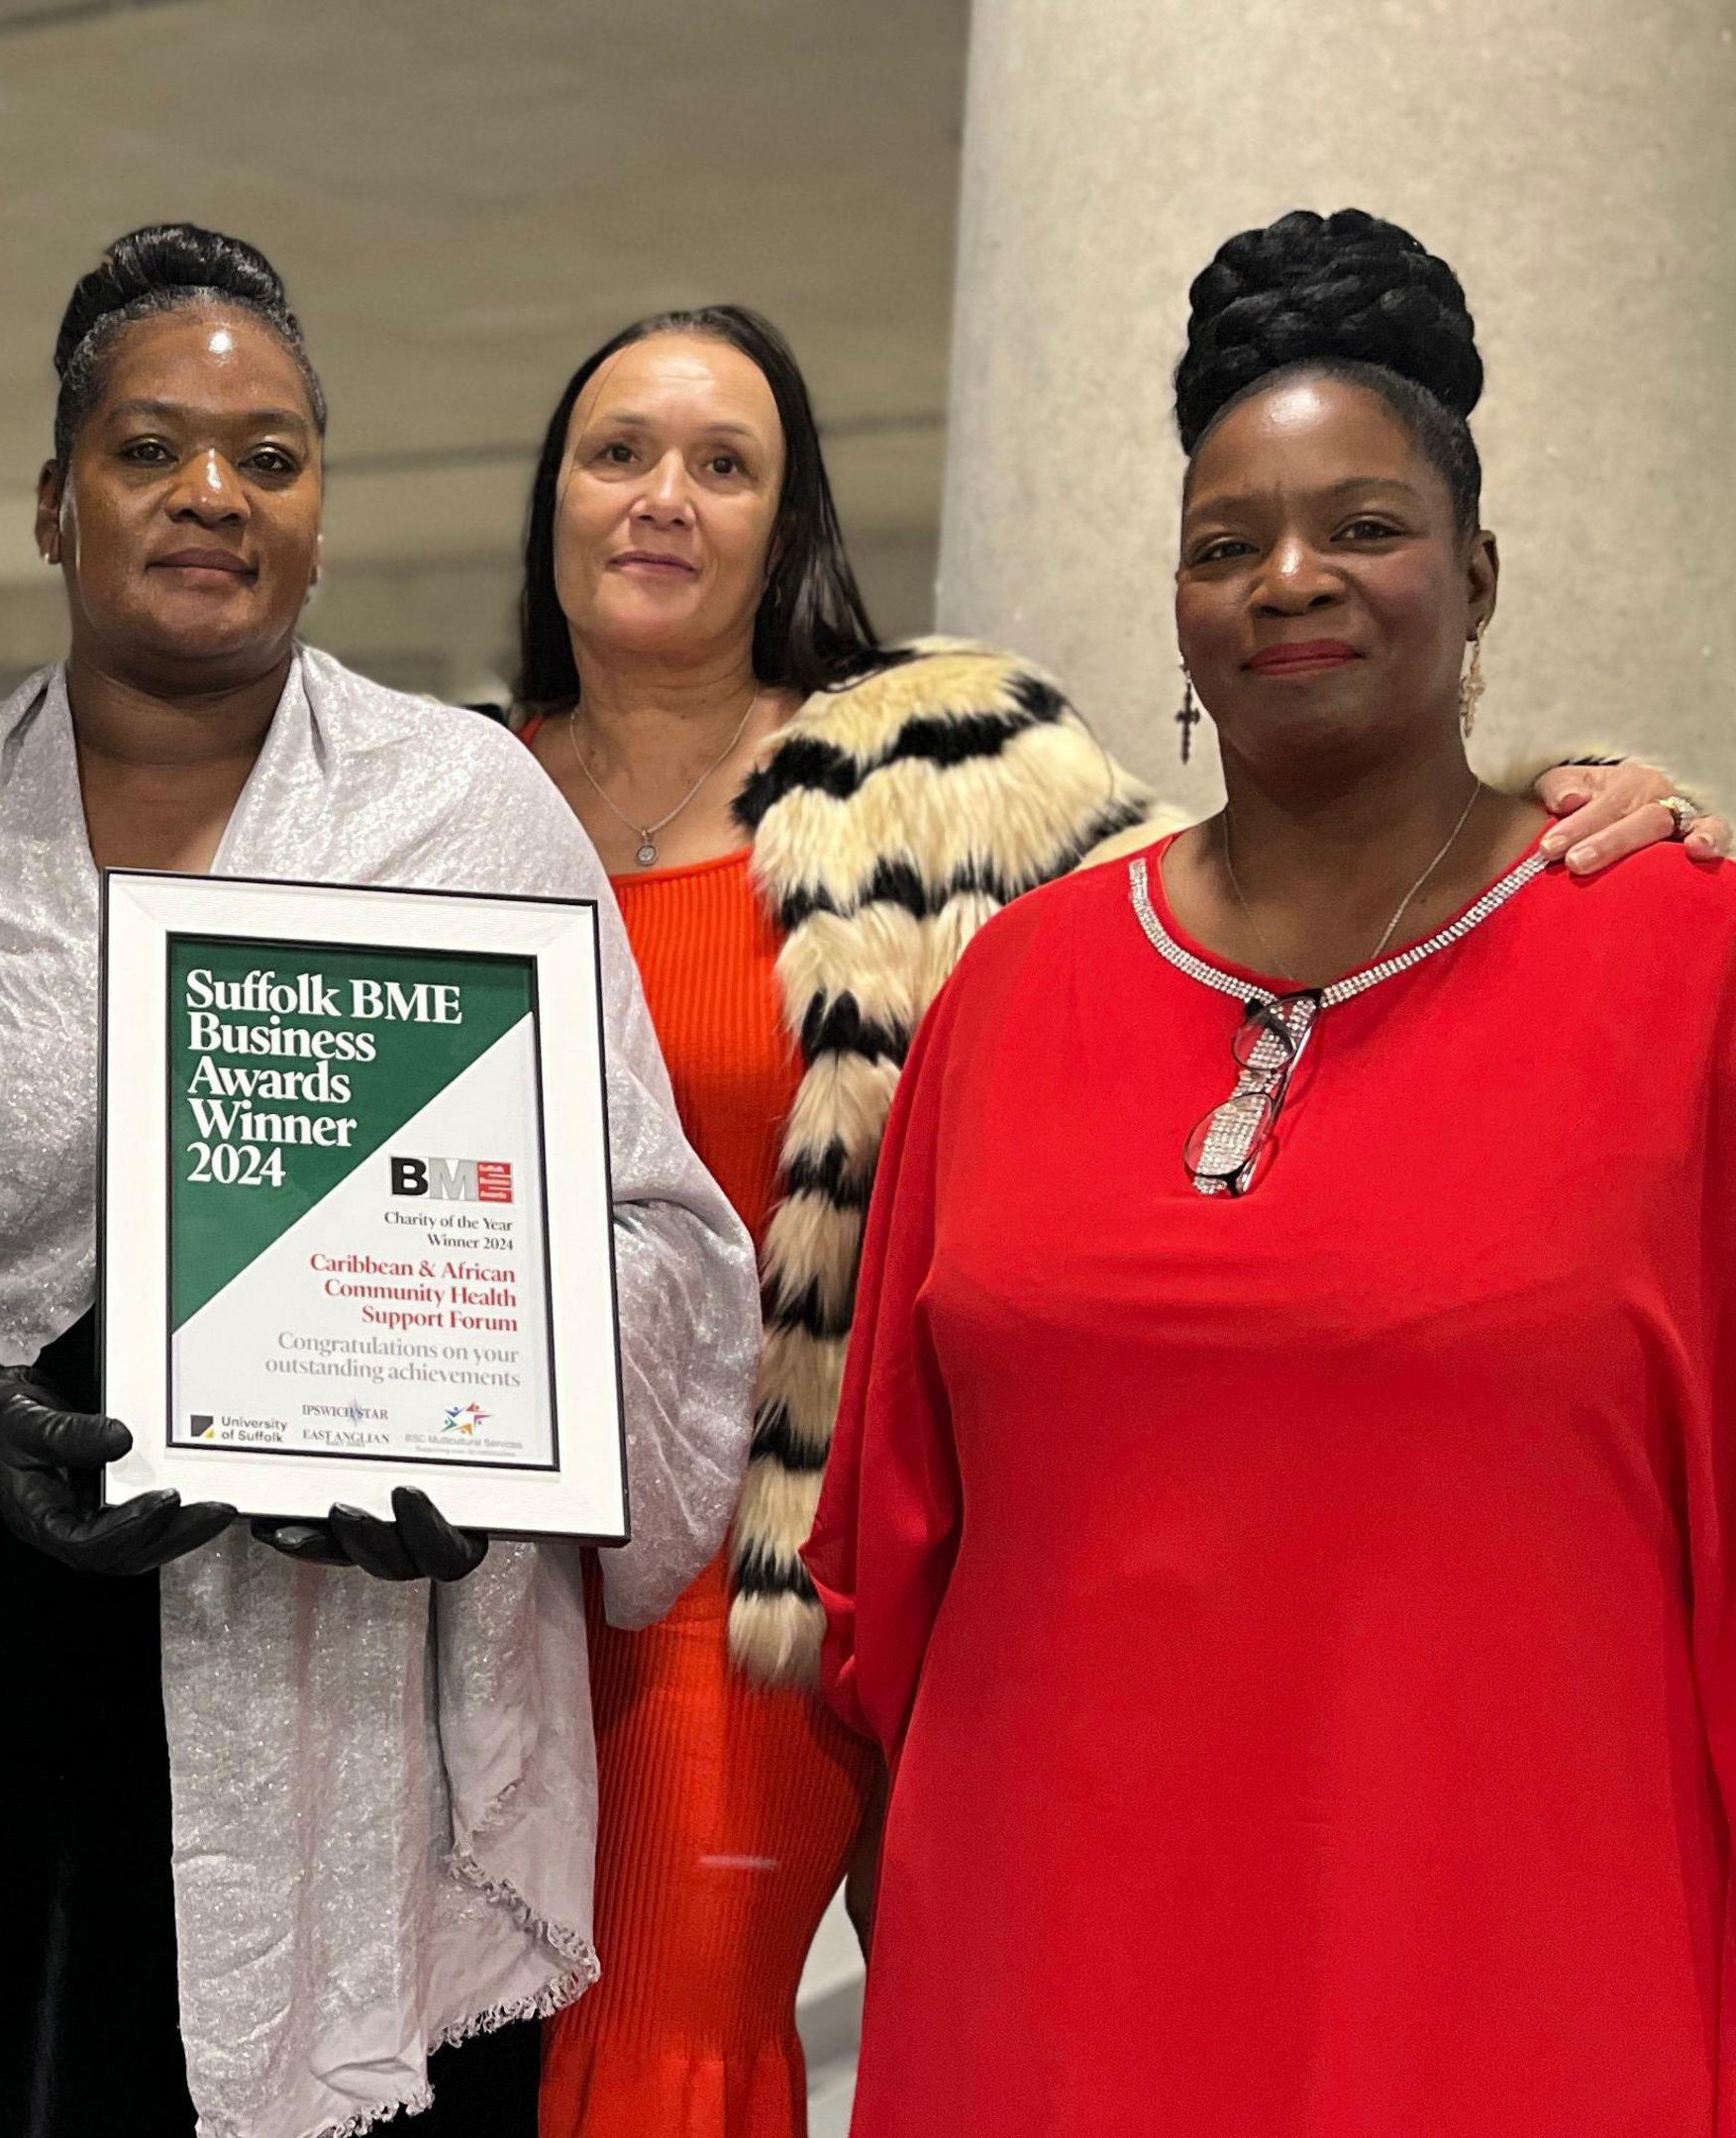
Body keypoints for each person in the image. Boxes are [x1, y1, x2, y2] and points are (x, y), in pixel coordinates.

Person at [498, 305, 1714, 2137]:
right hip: (482, 1600)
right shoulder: (427, 804)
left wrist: (1599, 792)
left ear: (1478, 573)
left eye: (1367, 530)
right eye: (1228, 546)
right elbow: (915, 1498)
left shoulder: (956, 809)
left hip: (1460, 1920)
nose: (1288, 578)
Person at [0, 224, 756, 2138]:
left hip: (382, 1656)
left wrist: (488, 1452)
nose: (214, 493)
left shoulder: (469, 814)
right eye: (151, 449)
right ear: (56, 501)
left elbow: (650, 1235)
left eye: (271, 458)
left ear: (318, 516)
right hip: (28, 1665)